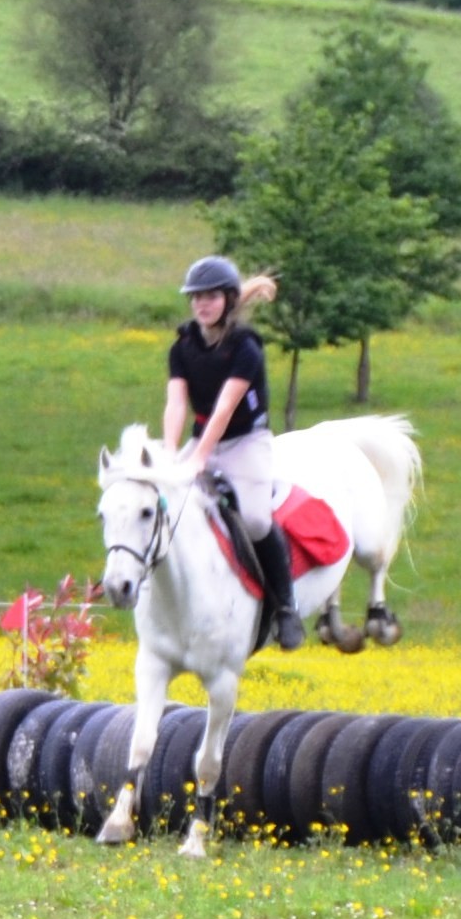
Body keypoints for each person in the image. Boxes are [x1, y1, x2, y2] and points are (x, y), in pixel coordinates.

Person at [164, 254, 301, 650]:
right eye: (195, 297)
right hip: (201, 438)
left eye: (209, 297)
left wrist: (199, 458)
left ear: (226, 299)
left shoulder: (246, 348)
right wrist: (170, 455)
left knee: (256, 521)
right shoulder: (183, 347)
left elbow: (225, 409)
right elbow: (176, 405)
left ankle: (286, 608)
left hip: (245, 443)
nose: (201, 305)